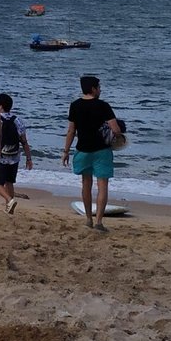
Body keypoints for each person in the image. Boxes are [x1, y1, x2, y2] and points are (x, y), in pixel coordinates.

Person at [63, 74, 123, 232]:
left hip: (83, 149)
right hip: (102, 150)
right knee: (102, 185)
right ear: (93, 89)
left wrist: (65, 151)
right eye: (99, 87)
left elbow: (71, 131)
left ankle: (88, 219)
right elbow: (116, 129)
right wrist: (119, 138)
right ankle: (99, 223)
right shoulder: (103, 106)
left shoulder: (75, 105)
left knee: (86, 184)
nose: (100, 90)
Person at [0, 92, 33, 215]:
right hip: (14, 157)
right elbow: (24, 142)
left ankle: (10, 200)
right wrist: (29, 158)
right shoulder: (17, 120)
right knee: (9, 182)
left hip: (0, 157)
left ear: (1, 106)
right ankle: (9, 208)